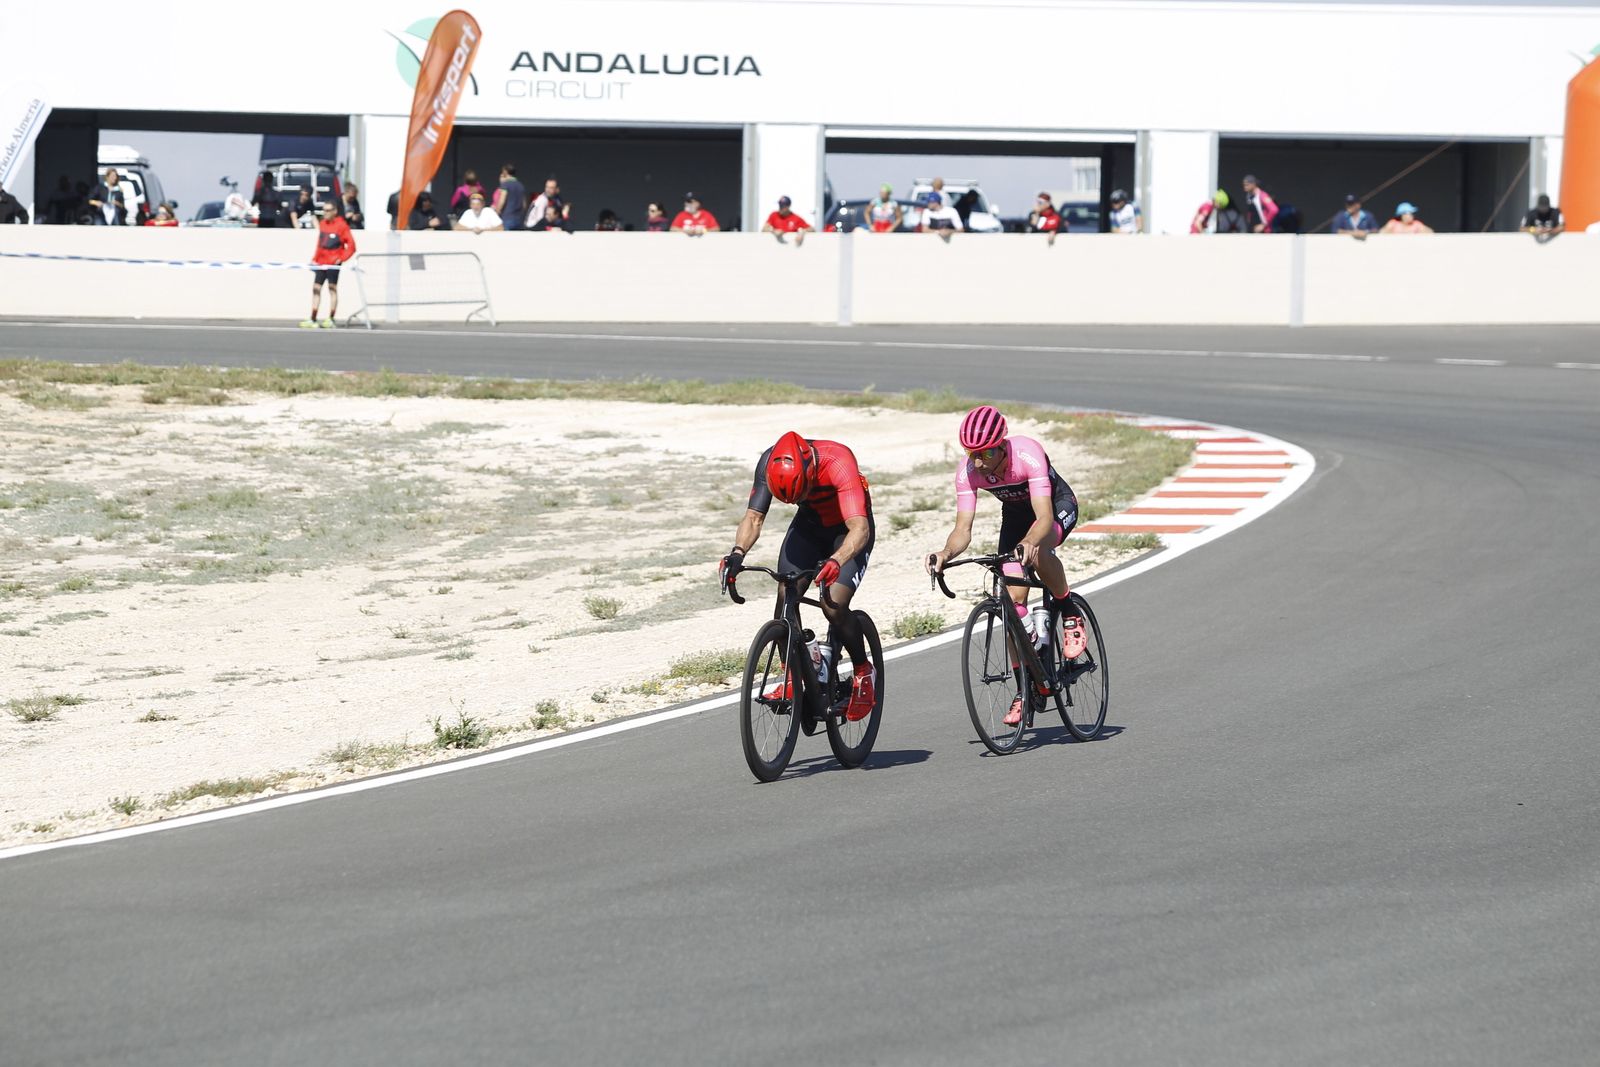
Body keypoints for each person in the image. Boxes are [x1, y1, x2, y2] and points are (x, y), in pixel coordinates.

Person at [925, 405, 1080, 727]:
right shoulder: (969, 470)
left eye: (985, 453)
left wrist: (1029, 543)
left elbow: (1044, 517)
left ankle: (1068, 611)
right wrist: (945, 553)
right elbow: (962, 529)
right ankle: (1026, 686)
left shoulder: (1028, 455)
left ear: (1002, 445)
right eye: (971, 453)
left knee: (1036, 552)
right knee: (1012, 604)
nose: (978, 462)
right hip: (1014, 517)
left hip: (1053, 508)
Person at [718, 431, 878, 722]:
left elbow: (860, 529)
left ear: (811, 471)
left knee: (833, 603)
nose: (795, 501)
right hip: (809, 527)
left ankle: (863, 671)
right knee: (785, 595)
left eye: (801, 493)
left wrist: (837, 559)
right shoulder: (769, 461)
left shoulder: (838, 460)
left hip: (848, 529)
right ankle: (794, 675)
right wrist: (737, 553)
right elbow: (754, 518)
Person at [300, 199, 356, 329]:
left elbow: (352, 246)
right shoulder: (323, 224)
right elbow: (320, 245)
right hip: (321, 263)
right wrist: (315, 259)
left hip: (333, 264)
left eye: (328, 210)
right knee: (316, 289)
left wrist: (341, 258)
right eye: (323, 210)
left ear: (334, 211)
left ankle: (331, 318)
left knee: (332, 289)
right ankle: (313, 318)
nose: (325, 213)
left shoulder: (342, 226)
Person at [492, 163, 527, 231]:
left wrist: (497, 212)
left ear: (505, 172)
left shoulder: (505, 184)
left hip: (508, 217)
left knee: (506, 240)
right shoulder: (520, 185)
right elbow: (524, 205)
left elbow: (502, 200)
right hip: (519, 219)